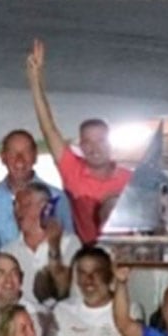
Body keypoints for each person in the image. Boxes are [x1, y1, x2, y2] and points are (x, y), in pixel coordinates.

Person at [27, 39, 132, 244]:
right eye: (88, 142)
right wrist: (35, 80)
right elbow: (48, 128)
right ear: (81, 147)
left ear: (111, 145)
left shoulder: (131, 180)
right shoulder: (72, 170)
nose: (94, 148)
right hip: (86, 256)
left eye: (101, 141)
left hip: (126, 254)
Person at [0, 129, 75, 255]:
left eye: (26, 152)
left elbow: (70, 242)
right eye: (12, 153)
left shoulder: (56, 198)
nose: (19, 160)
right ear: (3, 157)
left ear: (35, 156)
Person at [3, 181, 78, 303]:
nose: (17, 211)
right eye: (15, 205)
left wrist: (54, 245)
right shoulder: (8, 251)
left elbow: (68, 289)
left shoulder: (70, 243)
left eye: (25, 205)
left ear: (45, 208)